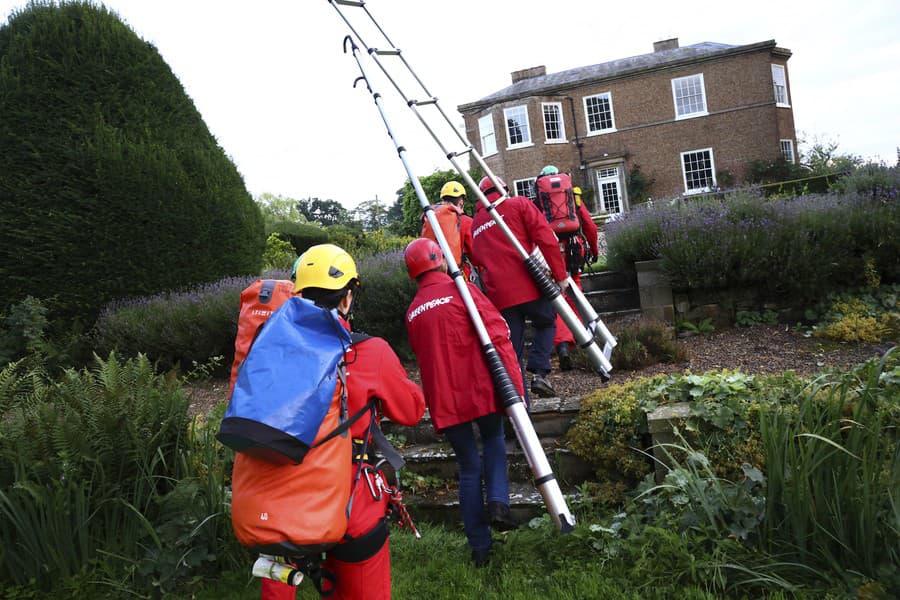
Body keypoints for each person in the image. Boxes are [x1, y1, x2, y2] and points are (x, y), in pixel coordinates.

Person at [260, 243, 426, 600]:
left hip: (281, 498)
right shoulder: (371, 352)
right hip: (352, 503)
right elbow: (411, 412)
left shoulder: (271, 354)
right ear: (347, 298)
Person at [403, 237, 521, 567]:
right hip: (480, 388)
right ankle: (498, 502)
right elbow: (498, 333)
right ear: (440, 260)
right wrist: (515, 386)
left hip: (445, 398)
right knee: (495, 440)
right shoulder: (463, 290)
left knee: (469, 467)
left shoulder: (413, 312)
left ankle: (480, 550)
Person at [469, 176, 569, 400]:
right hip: (531, 286)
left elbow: (477, 257)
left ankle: (517, 395)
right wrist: (561, 276)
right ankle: (540, 373)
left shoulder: (476, 223)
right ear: (504, 188)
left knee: (511, 346)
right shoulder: (518, 204)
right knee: (546, 323)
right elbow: (547, 239)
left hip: (500, 297)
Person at [534, 169, 600, 371]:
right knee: (575, 293)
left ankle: (562, 345)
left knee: (556, 298)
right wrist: (594, 249)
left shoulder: (538, 202)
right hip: (574, 248)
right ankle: (581, 339)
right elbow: (590, 226)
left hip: (550, 251)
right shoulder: (574, 199)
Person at [421, 180, 476, 281]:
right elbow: (475, 253)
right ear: (461, 201)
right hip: (457, 276)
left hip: (432, 276)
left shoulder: (430, 218)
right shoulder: (465, 221)